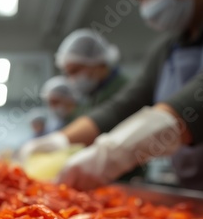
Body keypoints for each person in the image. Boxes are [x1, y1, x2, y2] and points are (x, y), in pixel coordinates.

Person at [28, 0, 203, 197]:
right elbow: (124, 106)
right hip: (199, 197)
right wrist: (59, 141)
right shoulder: (167, 48)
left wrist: (115, 153)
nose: (146, 4)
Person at [19, 29, 128, 162]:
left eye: (75, 70)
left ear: (98, 63)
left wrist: (60, 141)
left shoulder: (123, 89)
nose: (72, 79)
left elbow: (108, 117)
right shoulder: (92, 96)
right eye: (68, 73)